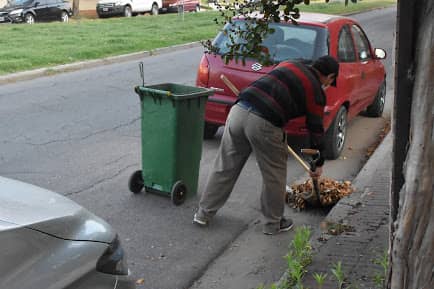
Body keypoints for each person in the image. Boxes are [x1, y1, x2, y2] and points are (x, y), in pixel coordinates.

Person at [193, 55, 339, 235]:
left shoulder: (289, 63)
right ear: (329, 76)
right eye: (330, 81)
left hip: (238, 111)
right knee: (274, 174)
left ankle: (203, 214)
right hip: (264, 123)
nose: (328, 85)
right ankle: (273, 223)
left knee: (225, 166)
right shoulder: (316, 92)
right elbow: (315, 130)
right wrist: (318, 163)